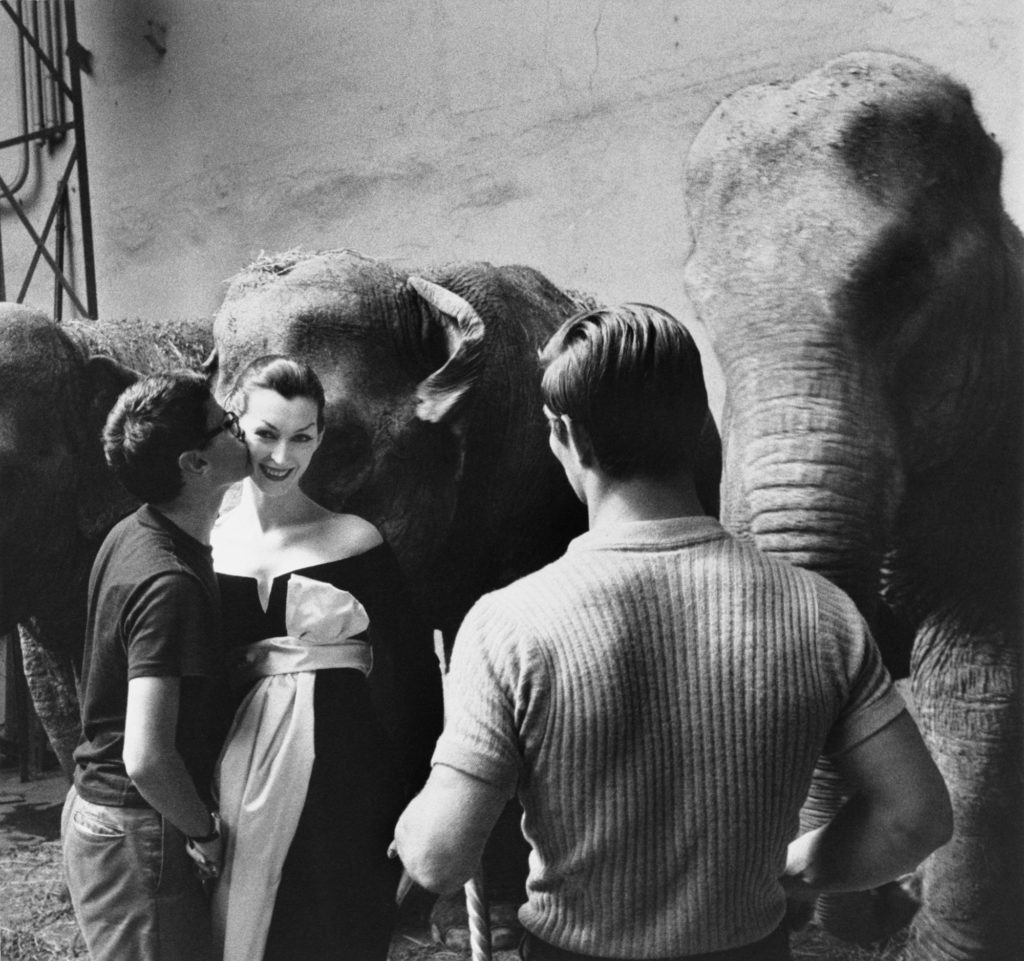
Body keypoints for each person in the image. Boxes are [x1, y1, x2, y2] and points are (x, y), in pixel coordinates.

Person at [392, 304, 953, 961]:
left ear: (565, 433)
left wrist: (410, 820)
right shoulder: (821, 611)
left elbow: (436, 857)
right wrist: (795, 866)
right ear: (697, 425)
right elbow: (916, 816)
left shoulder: (509, 624)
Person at [209, 355, 444, 961]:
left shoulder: (355, 540)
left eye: (302, 438)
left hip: (347, 786)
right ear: (232, 422)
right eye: (265, 433)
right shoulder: (202, 541)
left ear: (320, 439)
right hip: (227, 785)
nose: (282, 456)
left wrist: (417, 800)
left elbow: (418, 685)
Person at [62, 371, 250, 961]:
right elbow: (146, 756)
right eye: (228, 425)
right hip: (138, 829)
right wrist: (207, 834)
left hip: (110, 818)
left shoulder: (132, 531)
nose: (240, 432)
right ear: (195, 464)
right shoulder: (170, 583)